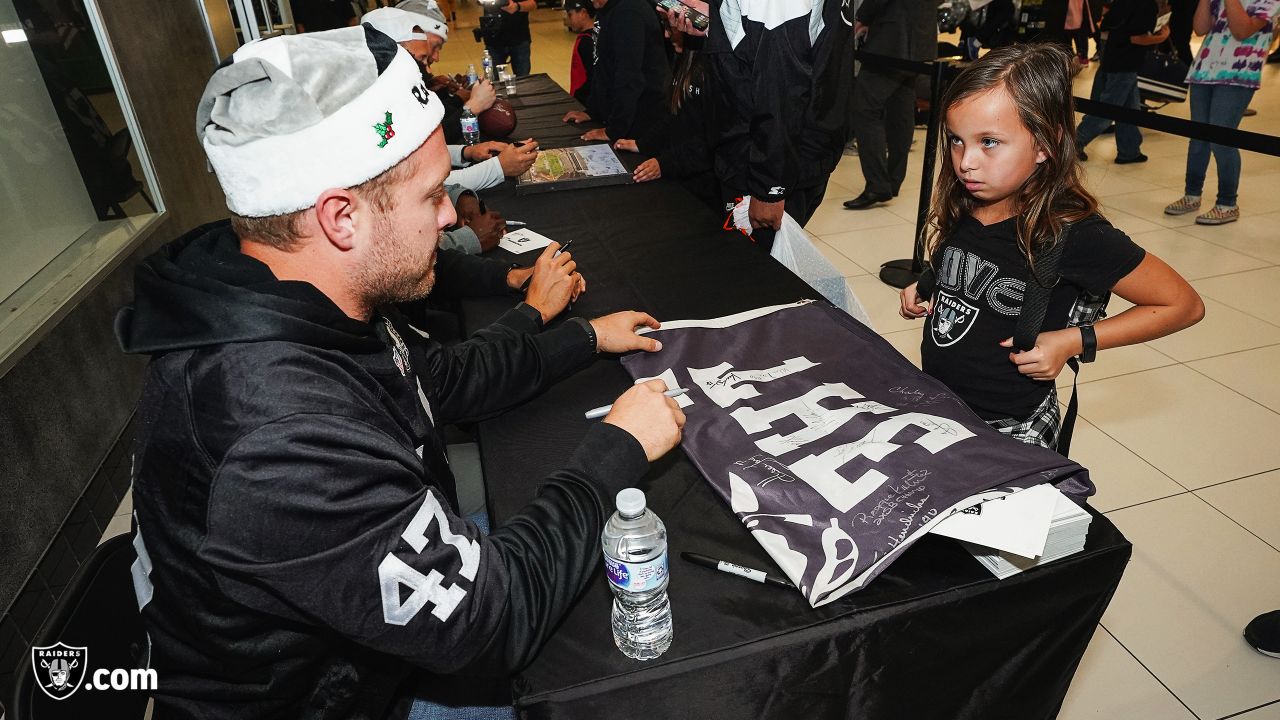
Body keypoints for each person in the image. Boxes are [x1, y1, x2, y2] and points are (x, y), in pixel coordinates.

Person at [116, 26, 686, 718]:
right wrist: (614, 454)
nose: (451, 214)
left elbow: (436, 380)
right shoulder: (278, 438)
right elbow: (491, 621)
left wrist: (583, 338)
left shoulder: (289, 290)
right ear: (340, 217)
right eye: (430, 195)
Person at [898, 43, 1203, 451]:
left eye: (989, 142)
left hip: (1010, 425)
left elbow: (1183, 305)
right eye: (956, 140)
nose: (966, 161)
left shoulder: (1074, 233)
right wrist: (929, 284)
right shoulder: (968, 197)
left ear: (1044, 144)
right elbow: (970, 260)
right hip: (943, 404)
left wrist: (1071, 340)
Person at [663, 0, 854, 240]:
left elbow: (781, 81)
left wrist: (769, 189)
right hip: (775, 150)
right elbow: (762, 37)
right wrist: (716, 19)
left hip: (763, 158)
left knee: (755, 269)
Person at [366, 3, 539, 191]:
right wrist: (498, 168)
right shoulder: (373, 108)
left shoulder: (394, 89)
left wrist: (466, 152)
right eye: (420, 59)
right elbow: (421, 183)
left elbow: (417, 150)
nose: (429, 67)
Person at [1164, 0, 1279, 225]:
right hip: (1204, 70)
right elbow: (1200, 28)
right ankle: (1191, 195)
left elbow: (1242, 30)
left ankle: (1227, 203)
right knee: (1198, 138)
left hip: (1239, 74)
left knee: (1222, 139)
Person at [844, 0, 936, 211]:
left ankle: (878, 184)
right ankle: (893, 180)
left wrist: (864, 17)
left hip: (892, 38)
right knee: (900, 107)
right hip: (920, 36)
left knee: (864, 108)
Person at [561, 0, 671, 145]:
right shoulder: (605, 9)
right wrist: (592, 111)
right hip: (617, 116)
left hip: (639, 120)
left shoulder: (629, 12)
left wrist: (614, 130)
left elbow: (629, 77)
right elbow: (600, 65)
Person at [1076, 0, 1170, 164]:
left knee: (1130, 108)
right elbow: (1136, 38)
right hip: (1125, 62)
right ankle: (1074, 144)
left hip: (1115, 57)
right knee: (1107, 111)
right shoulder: (1146, 5)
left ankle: (1129, 150)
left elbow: (1108, 24)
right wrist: (1161, 38)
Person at [484, 0, 536, 77]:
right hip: (494, 39)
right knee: (493, 79)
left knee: (523, 79)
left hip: (519, 37)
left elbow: (533, 4)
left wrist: (517, 6)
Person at [563, 0, 598, 105]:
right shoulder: (598, 34)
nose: (568, 19)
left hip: (585, 102)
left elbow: (594, 77)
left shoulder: (585, 42)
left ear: (583, 13)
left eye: (570, 14)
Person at [292, 0, 358, 32]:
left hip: (341, 39)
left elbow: (352, 20)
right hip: (315, 42)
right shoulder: (297, 1)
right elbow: (300, 26)